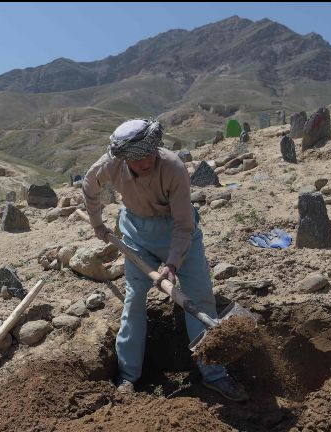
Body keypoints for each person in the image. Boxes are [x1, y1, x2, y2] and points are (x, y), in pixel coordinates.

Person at [82, 118, 248, 402]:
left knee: (199, 298)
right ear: (124, 158)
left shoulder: (173, 167)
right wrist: (97, 222)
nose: (146, 162)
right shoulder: (111, 164)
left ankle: (214, 374)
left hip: (178, 232)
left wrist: (171, 264)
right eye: (138, 159)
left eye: (150, 154)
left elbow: (184, 225)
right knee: (134, 300)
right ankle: (127, 376)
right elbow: (89, 184)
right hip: (136, 235)